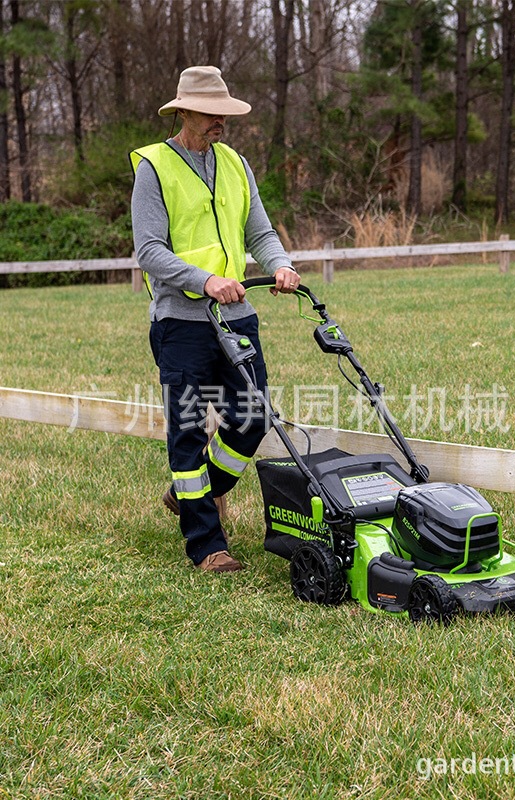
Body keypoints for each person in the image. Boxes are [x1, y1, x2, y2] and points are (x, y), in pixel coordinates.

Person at [130, 65, 300, 572]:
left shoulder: (234, 163)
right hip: (180, 322)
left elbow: (260, 232)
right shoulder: (154, 168)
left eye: (224, 114)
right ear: (182, 111)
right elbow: (149, 250)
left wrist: (281, 264)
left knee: (252, 418)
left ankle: (196, 494)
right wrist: (203, 280)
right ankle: (207, 544)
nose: (218, 123)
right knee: (186, 429)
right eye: (210, 114)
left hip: (236, 316)